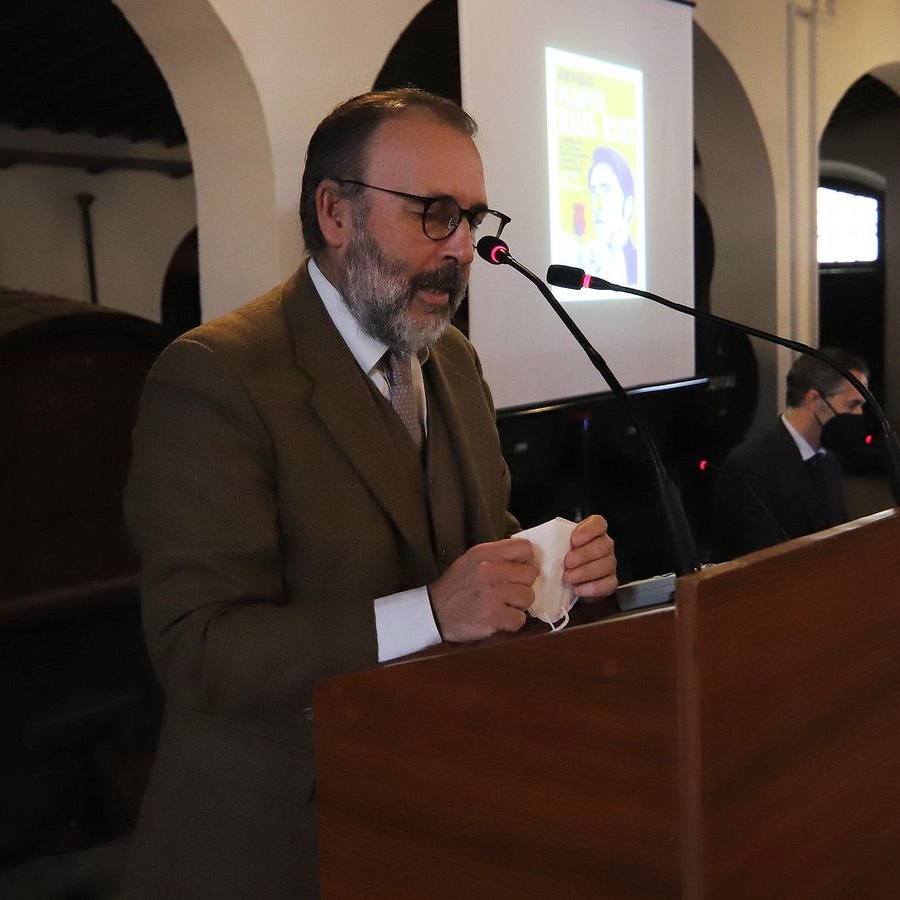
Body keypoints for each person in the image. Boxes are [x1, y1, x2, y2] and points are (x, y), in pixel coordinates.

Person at [121, 88, 619, 899]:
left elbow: (468, 542)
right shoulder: (217, 375)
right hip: (279, 842)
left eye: (473, 218)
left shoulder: (452, 362)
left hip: (434, 810)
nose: (462, 248)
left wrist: (553, 563)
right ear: (336, 212)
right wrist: (429, 611)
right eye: (433, 212)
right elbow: (197, 648)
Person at [709, 348, 870, 561]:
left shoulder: (829, 459)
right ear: (814, 400)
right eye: (852, 405)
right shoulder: (750, 465)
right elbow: (758, 557)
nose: (859, 415)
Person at [579, 145, 638, 285]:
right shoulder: (582, 259)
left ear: (628, 205)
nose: (598, 205)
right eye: (593, 192)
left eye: (607, 191)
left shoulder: (638, 261)